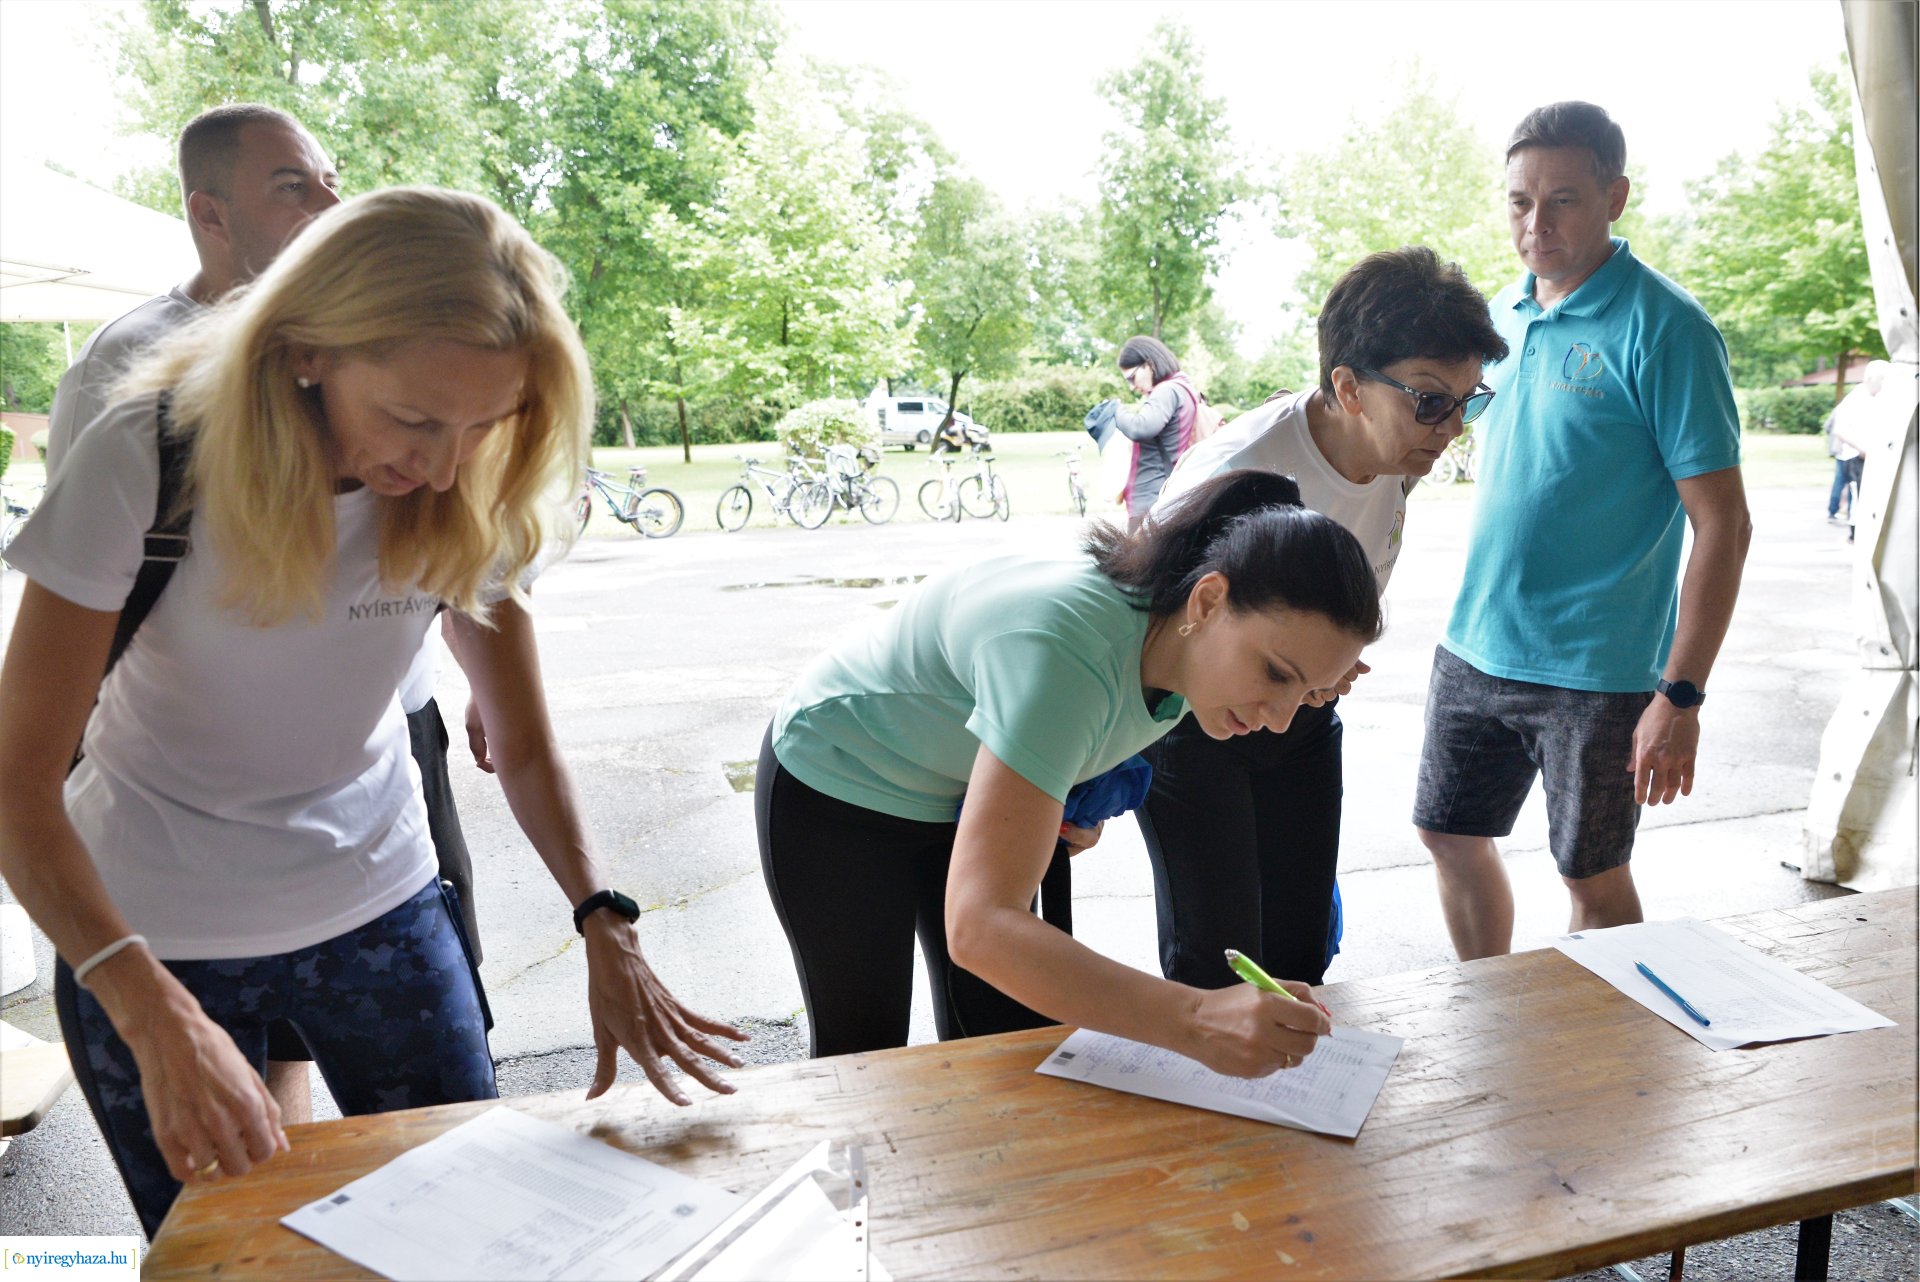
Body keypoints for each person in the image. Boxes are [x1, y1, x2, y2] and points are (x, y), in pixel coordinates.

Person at [0, 186, 746, 1237]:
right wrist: (147, 1009)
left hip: (381, 908)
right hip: (152, 929)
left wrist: (601, 916)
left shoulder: (467, 476)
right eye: (414, 419)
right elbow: (17, 786)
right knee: (230, 1249)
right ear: (307, 350)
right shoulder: (148, 456)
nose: (443, 466)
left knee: (472, 1224)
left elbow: (522, 744)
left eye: (485, 424)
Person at [42, 103, 483, 1128]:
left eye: (332, 177)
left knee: (444, 1140)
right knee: (249, 1160)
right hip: (178, 800)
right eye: (293, 184)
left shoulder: (420, 361)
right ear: (209, 214)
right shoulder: (128, 380)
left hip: (381, 748)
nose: (330, 200)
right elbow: (87, 617)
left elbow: (463, 550)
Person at [755, 469, 1382, 1074]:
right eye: (1275, 673)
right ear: (1209, 600)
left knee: (1011, 1048)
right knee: (863, 1057)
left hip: (958, 784)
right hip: (839, 781)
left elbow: (1085, 724)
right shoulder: (1066, 649)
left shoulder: (1186, 643)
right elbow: (981, 927)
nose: (1277, 720)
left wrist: (1070, 789)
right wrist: (1194, 1017)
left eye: (1307, 694)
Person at [1414, 102, 1753, 959]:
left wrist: (1680, 697)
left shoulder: (1669, 329)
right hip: (1475, 644)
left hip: (1598, 674)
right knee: (1450, 837)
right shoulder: (1501, 316)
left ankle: (1600, 1071)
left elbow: (1724, 526)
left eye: (1562, 200)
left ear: (1616, 197)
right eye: (1520, 202)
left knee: (1589, 877)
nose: (1536, 224)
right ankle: (1486, 1004)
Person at [1140, 247, 1509, 990]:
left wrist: (1326, 669)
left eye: (1470, 401)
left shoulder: (1396, 458)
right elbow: (1148, 622)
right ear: (1348, 387)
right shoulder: (1237, 471)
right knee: (1220, 961)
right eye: (1431, 400)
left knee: (1302, 950)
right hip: (1199, 725)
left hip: (1304, 720)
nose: (1452, 428)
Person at [1102, 336, 1205, 531]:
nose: (1132, 387)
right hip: (1165, 495)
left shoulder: (1166, 390)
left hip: (1152, 500)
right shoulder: (1183, 387)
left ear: (1149, 364)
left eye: (1132, 378)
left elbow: (1140, 428)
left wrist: (1115, 409)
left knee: (1136, 561)